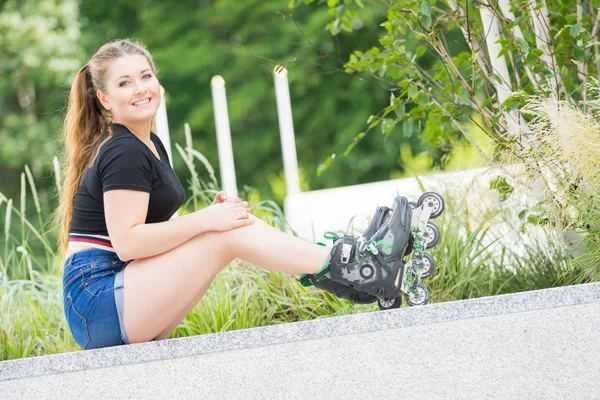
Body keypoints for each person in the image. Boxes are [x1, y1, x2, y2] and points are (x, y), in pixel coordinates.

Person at [57, 39, 413, 350]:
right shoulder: (123, 150)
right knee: (226, 233)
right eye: (125, 82)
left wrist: (208, 220)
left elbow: (147, 236)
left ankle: (354, 277)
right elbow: (128, 243)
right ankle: (354, 265)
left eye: (146, 76)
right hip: (98, 299)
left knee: (226, 227)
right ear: (104, 98)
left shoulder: (146, 144)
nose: (140, 88)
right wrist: (206, 222)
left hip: (120, 293)